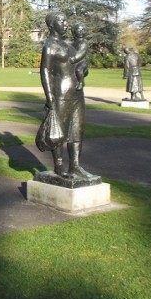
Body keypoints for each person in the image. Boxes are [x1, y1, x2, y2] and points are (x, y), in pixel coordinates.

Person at [35, 12, 97, 182]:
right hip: (60, 93)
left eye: (65, 20)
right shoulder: (50, 46)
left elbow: (79, 64)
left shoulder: (69, 45)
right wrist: (49, 97)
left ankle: (75, 166)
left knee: (77, 130)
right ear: (52, 25)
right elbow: (45, 71)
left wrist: (84, 69)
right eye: (61, 21)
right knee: (59, 130)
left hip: (77, 92)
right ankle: (59, 166)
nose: (65, 24)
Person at [71, 23, 89, 91]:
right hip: (75, 62)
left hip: (82, 61)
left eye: (83, 29)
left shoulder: (84, 42)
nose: (81, 31)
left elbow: (81, 53)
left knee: (79, 70)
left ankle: (81, 82)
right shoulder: (74, 42)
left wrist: (74, 59)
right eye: (79, 29)